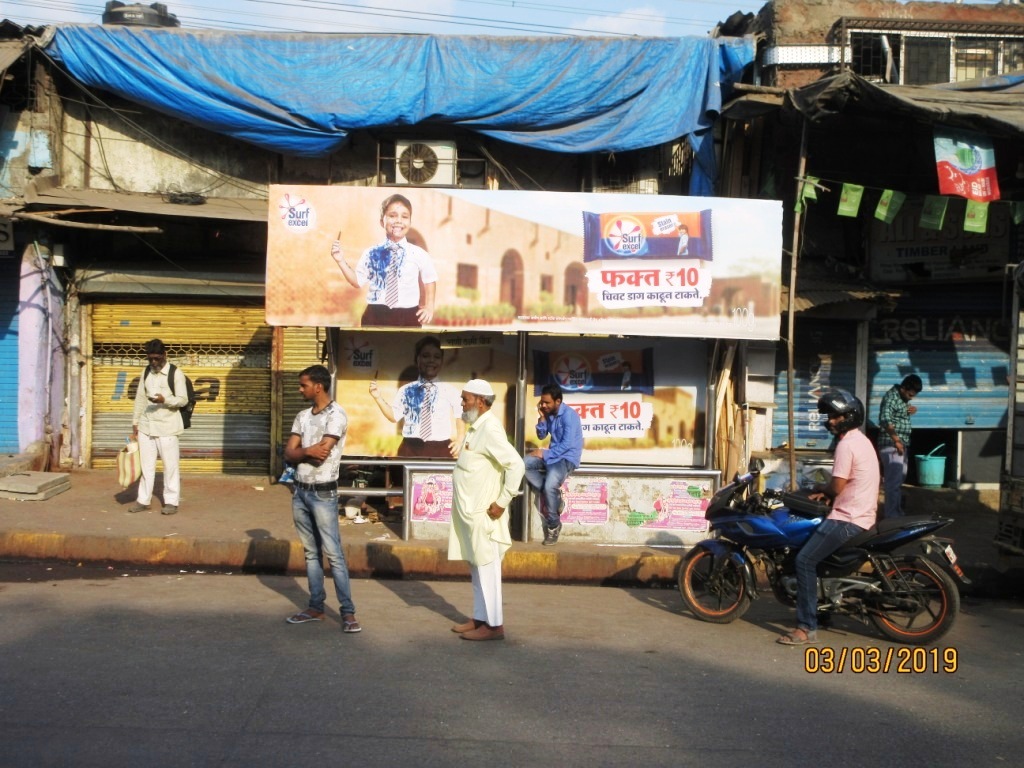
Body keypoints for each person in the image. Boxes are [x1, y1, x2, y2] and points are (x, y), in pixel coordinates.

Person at [778, 389, 879, 646]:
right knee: (817, 561)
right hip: (861, 513)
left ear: (850, 416)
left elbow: (836, 487)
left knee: (804, 561)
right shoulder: (861, 440)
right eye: (830, 416)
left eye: (836, 416)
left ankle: (805, 627)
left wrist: (820, 491)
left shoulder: (847, 445)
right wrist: (828, 494)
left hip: (848, 519)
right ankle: (824, 611)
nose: (831, 421)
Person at [283, 364, 361, 633]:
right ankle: (316, 606)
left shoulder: (336, 415)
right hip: (300, 490)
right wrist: (307, 450)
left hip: (323, 492)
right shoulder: (302, 416)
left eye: (303, 384)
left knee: (334, 555)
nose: (299, 389)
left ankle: (348, 613)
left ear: (318, 386)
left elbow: (322, 453)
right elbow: (288, 453)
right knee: (310, 554)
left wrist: (301, 451)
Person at [447, 379, 525, 641]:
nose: (462, 403)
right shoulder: (474, 428)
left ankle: (494, 626)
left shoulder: (489, 429)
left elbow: (516, 465)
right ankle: (480, 618)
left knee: (488, 569)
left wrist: (502, 502)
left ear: (480, 401)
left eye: (465, 399)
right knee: (477, 567)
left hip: (485, 514)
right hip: (471, 515)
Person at [331, 193, 438, 327]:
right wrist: (340, 261)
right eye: (392, 216)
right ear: (382, 221)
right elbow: (357, 281)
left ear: (410, 222)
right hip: (375, 313)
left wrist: (429, 307)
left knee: (406, 348)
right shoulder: (371, 253)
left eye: (404, 217)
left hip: (408, 315)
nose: (398, 221)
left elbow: (430, 279)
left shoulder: (419, 254)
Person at [369, 335, 464, 458]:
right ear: (417, 359)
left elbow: (460, 414)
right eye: (426, 356)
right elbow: (393, 417)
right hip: (410, 448)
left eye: (437, 357)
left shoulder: (450, 390)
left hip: (441, 450)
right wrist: (377, 397)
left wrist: (460, 440)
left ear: (441, 361)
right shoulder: (406, 390)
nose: (431, 361)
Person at [129, 339, 187, 515]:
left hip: (167, 427)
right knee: (146, 467)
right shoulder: (146, 372)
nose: (153, 362)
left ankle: (171, 501)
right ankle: (143, 500)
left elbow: (183, 400)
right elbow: (140, 398)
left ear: (164, 355)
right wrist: (135, 423)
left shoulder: (176, 373)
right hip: (147, 426)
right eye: (150, 359)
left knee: (170, 466)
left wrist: (165, 400)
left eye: (156, 358)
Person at [525, 383, 584, 546]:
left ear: (558, 401)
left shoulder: (569, 416)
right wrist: (542, 417)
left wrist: (544, 453)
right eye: (542, 402)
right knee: (524, 464)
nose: (543, 405)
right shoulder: (549, 414)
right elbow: (542, 434)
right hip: (553, 456)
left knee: (550, 484)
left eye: (546, 403)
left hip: (566, 458)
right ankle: (555, 499)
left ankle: (553, 524)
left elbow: (567, 444)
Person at [878, 374, 922, 518]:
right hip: (892, 445)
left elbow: (899, 414)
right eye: (910, 394)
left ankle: (896, 513)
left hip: (901, 445)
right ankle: (892, 517)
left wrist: (911, 409)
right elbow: (885, 420)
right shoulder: (890, 398)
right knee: (893, 484)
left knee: (897, 482)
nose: (911, 398)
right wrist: (896, 440)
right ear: (903, 388)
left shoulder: (901, 398)